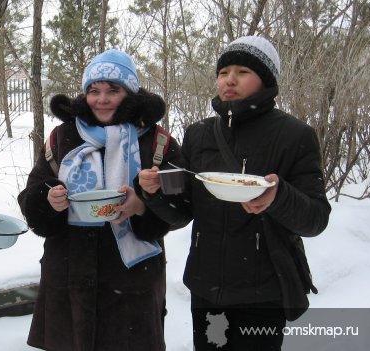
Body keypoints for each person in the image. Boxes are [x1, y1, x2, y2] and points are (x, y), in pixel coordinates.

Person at [137, 36, 331, 350]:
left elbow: (316, 218)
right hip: (206, 287)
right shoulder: (200, 133)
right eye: (224, 71)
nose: (229, 79)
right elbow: (184, 209)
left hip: (263, 291)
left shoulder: (295, 135)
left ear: (265, 80)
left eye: (242, 71)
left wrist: (277, 196)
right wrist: (155, 191)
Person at [18, 49, 191, 351]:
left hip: (132, 281)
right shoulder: (63, 137)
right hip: (69, 273)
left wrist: (143, 205)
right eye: (94, 91)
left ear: (130, 92)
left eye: (114, 90)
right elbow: (30, 198)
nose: (102, 99)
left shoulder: (157, 141)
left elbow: (183, 206)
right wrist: (49, 200)